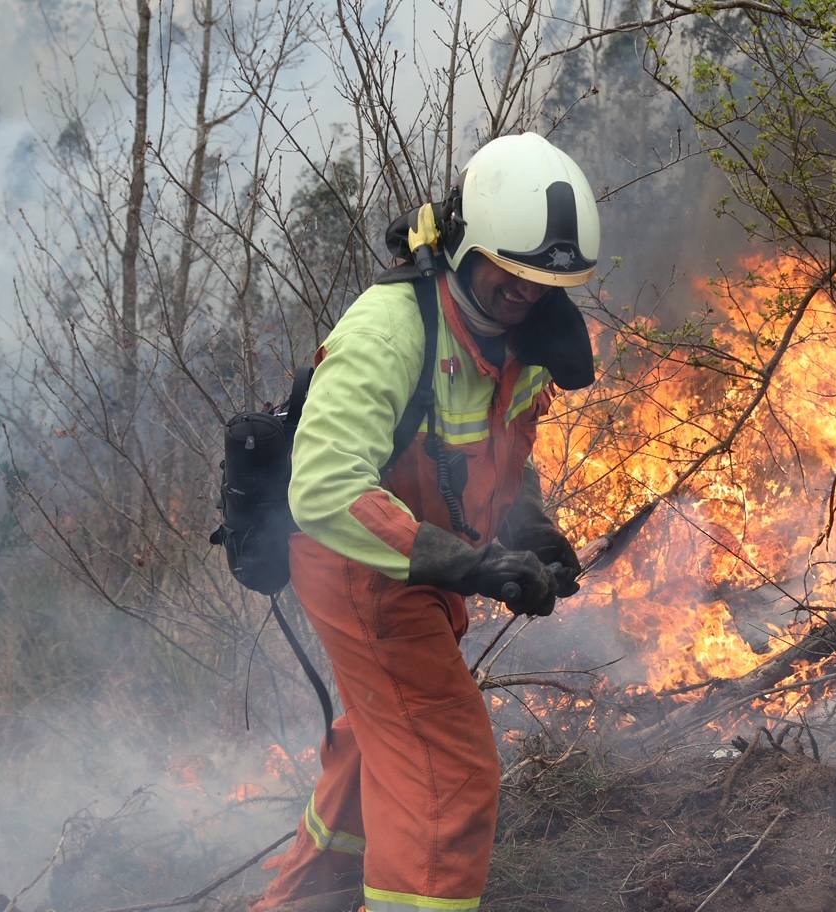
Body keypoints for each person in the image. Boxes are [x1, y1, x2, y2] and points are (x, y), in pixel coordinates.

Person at [251, 132, 600, 912]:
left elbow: (503, 453)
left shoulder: (520, 341)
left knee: (386, 739)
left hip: (422, 561)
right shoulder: (391, 331)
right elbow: (326, 488)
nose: (524, 295)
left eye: (541, 283)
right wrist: (468, 565)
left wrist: (530, 531)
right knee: (448, 770)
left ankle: (306, 900)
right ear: (463, 247)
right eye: (508, 276)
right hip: (359, 565)